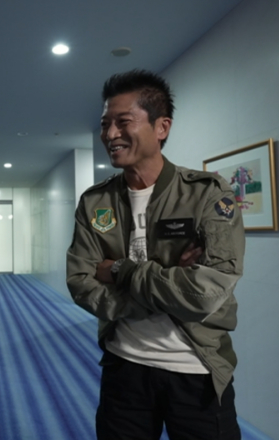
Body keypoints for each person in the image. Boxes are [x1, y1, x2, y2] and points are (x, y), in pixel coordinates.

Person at [66, 70, 245, 440]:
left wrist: (121, 271)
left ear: (161, 127)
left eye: (123, 122)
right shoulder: (95, 201)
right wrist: (165, 287)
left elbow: (207, 292)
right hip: (124, 366)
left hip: (197, 369)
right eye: (105, 124)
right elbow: (81, 282)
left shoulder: (207, 194)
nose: (110, 134)